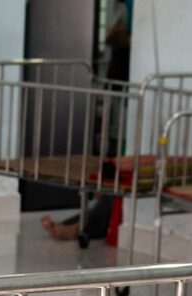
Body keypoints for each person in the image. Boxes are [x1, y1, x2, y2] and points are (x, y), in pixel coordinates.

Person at [40, 0, 132, 242]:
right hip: (117, 84)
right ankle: (71, 226)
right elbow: (114, 36)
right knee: (107, 195)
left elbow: (115, 36)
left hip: (120, 91)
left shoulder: (124, 10)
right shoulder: (119, 10)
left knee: (111, 197)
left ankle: (72, 229)